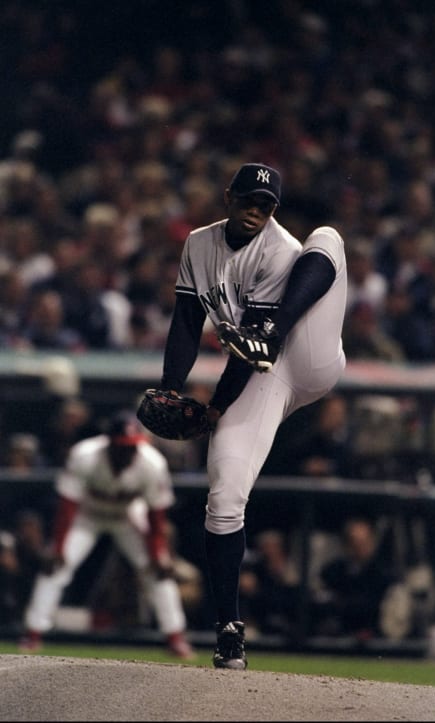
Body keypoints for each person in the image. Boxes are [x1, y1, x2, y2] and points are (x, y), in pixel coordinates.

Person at [157, 162, 347, 669]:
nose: (256, 211)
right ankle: (229, 634)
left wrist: (216, 406)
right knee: (223, 498)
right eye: (248, 200)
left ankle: (277, 330)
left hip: (305, 353)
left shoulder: (281, 249)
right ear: (228, 197)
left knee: (327, 238)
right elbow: (184, 323)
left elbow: (250, 353)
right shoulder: (199, 244)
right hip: (263, 374)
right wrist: (172, 391)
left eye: (266, 205)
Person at [18, 409, 195, 659]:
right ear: (109, 442)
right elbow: (67, 508)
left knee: (158, 571)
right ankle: (33, 632)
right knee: (55, 566)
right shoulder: (85, 455)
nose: (128, 450)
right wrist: (57, 548)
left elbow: (156, 517)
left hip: (127, 516)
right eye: (123, 445)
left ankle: (175, 636)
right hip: (87, 515)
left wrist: (159, 554)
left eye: (132, 445)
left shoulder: (152, 463)